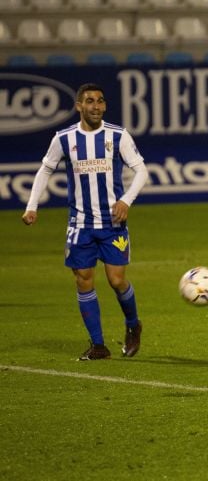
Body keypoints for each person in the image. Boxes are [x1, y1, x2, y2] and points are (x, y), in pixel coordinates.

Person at [21, 83, 148, 360]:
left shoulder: (117, 136)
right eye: (90, 101)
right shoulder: (64, 139)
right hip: (80, 224)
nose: (96, 106)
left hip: (112, 222)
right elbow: (45, 169)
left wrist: (126, 200)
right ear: (79, 106)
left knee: (117, 281)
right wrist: (32, 206)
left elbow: (140, 170)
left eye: (100, 101)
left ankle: (132, 324)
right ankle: (99, 345)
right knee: (83, 280)